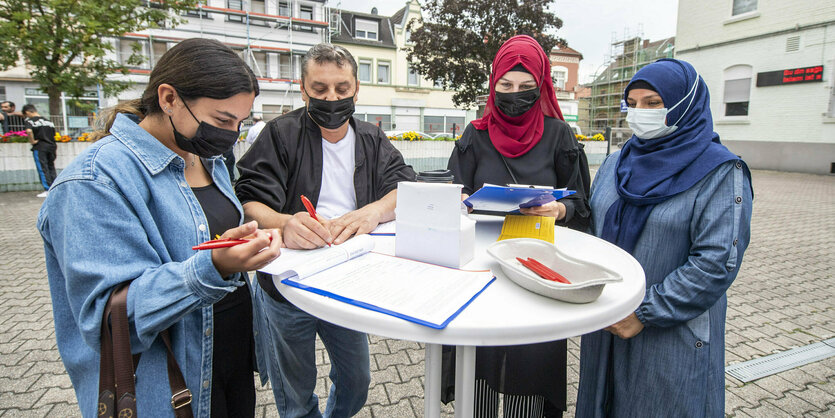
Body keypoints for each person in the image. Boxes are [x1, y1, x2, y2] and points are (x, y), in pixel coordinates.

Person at [37, 38, 282, 417]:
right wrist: (215, 266)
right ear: (168, 98)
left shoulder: (207, 159)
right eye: (221, 120)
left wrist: (243, 245)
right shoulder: (94, 181)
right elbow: (112, 322)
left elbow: (208, 240)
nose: (231, 134)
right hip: (165, 387)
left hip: (228, 363)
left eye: (239, 122)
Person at [235, 43, 416, 417]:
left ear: (355, 90)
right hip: (287, 284)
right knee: (295, 391)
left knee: (357, 381)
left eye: (341, 89)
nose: (331, 98)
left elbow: (404, 187)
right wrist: (286, 222)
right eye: (319, 90)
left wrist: (373, 212)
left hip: (348, 281)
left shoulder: (371, 137)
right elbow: (248, 200)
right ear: (303, 90)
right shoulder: (279, 134)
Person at [576, 58, 753, 417]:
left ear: (684, 104)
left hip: (667, 330)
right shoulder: (617, 163)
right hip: (607, 320)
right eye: (634, 104)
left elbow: (716, 262)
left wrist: (645, 312)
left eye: (653, 103)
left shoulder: (720, 171)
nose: (640, 113)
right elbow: (595, 231)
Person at [445, 34, 591, 418]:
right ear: (493, 86)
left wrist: (559, 211)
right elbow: (452, 189)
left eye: (527, 87)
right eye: (505, 86)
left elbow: (580, 202)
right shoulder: (475, 134)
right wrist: (458, 200)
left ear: (542, 86)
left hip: (536, 261)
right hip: (480, 263)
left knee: (531, 355)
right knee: (479, 352)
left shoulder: (560, 135)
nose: (514, 94)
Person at [22, 104, 57, 197]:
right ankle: (55, 187)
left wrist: (32, 141)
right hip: (52, 146)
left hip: (40, 147)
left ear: (27, 112)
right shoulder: (49, 121)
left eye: (26, 115)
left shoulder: (30, 121)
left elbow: (29, 131)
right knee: (51, 167)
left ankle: (47, 189)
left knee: (42, 168)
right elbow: (54, 133)